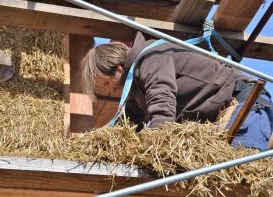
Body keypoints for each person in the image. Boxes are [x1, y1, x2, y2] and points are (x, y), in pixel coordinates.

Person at [81, 31, 273, 151]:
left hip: (245, 105)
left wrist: (152, 150)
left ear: (118, 68)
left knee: (243, 178)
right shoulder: (135, 88)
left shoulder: (150, 59)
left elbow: (162, 109)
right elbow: (127, 123)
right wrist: (93, 140)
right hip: (223, 119)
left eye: (106, 83)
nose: (111, 89)